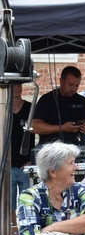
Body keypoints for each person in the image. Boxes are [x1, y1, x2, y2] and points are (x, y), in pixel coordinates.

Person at [32, 66, 85, 148]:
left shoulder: (82, 101)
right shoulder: (47, 100)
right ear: (61, 81)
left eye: (77, 85)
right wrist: (61, 128)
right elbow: (35, 126)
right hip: (51, 151)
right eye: (70, 84)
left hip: (77, 151)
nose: (73, 88)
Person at [11, 83, 33, 211]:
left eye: (19, 84)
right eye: (14, 85)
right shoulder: (3, 109)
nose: (17, 87)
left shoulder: (30, 109)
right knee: (9, 208)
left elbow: (38, 135)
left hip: (26, 165)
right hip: (7, 166)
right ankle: (11, 230)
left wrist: (33, 160)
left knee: (27, 206)